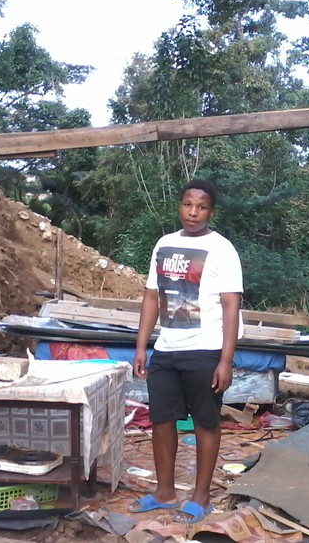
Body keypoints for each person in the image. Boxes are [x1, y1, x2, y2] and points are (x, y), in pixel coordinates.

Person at [129, 178, 243, 525]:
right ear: (179, 206)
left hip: (205, 350)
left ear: (211, 211)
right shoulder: (164, 244)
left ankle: (201, 497)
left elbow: (230, 304)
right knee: (162, 420)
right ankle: (164, 492)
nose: (193, 212)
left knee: (205, 422)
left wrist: (225, 360)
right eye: (187, 204)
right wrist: (141, 347)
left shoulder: (222, 249)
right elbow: (152, 296)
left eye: (201, 206)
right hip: (166, 350)